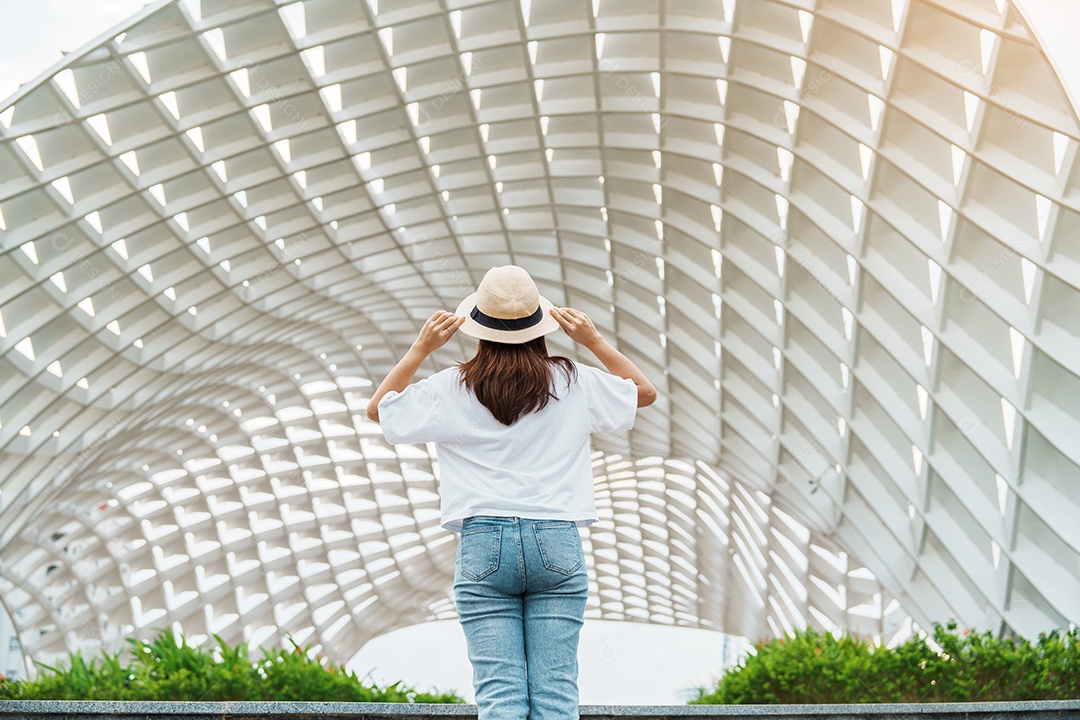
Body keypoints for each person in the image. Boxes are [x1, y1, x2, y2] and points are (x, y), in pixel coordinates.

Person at [366, 265, 656, 720]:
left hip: (483, 543)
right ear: (541, 329)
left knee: (499, 699)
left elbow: (379, 410)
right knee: (557, 696)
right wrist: (593, 341)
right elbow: (643, 392)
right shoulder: (572, 380)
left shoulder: (451, 386)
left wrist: (422, 348)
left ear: (480, 329)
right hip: (556, 539)